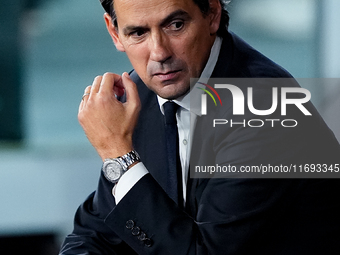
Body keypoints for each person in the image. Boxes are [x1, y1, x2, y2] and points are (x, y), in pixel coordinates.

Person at [59, 0, 340, 254]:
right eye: (138, 33)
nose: (159, 53)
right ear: (115, 33)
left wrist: (118, 153)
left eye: (175, 25)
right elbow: (95, 233)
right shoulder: (141, 96)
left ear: (213, 13)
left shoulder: (264, 106)